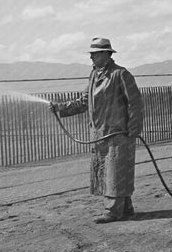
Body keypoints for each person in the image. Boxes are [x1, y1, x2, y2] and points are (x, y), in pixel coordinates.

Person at [50, 37, 144, 223]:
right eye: (91, 54)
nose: (91, 57)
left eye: (94, 54)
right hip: (99, 135)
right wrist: (61, 108)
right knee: (110, 172)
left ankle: (112, 212)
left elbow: (135, 103)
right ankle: (125, 208)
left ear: (106, 54)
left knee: (116, 172)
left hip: (118, 133)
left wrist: (133, 129)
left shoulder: (121, 74)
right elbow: (84, 102)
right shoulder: (94, 75)